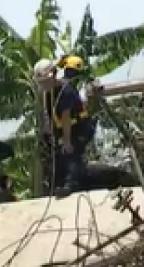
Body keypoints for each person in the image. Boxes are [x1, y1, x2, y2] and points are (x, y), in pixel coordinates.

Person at [33, 56, 96, 198]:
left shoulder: (64, 91)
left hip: (80, 129)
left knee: (71, 153)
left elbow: (66, 118)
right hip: (65, 130)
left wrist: (66, 142)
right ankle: (58, 184)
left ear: (54, 75)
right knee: (57, 156)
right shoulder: (49, 92)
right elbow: (51, 117)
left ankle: (71, 185)